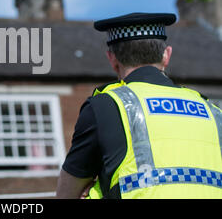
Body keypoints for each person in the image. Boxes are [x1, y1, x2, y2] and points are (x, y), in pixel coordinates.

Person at [56, 12, 222, 199]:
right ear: (166, 55)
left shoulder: (105, 105)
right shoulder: (214, 112)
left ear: (112, 59)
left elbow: (68, 192)